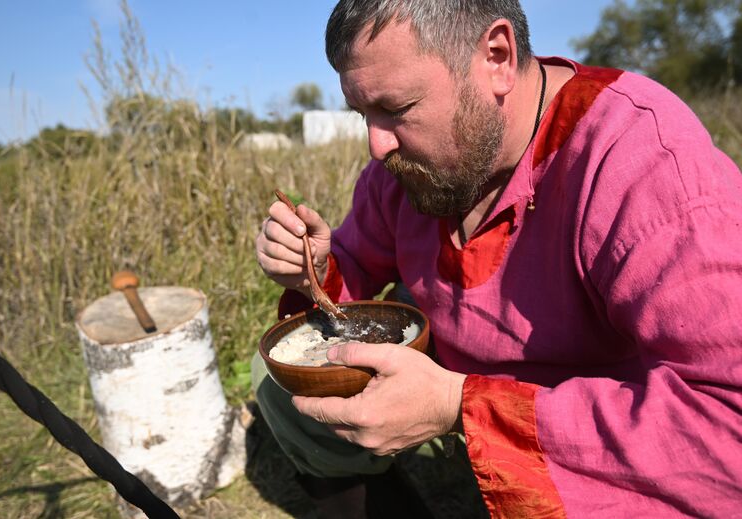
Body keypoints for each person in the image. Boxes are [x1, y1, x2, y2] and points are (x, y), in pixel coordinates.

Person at [254, 1, 742, 517]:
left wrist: (457, 407)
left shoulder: (640, 162)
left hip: (597, 445)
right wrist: (313, 266)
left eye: (396, 109)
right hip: (461, 391)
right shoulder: (404, 168)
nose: (375, 145)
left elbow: (726, 424)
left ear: (497, 57)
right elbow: (357, 263)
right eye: (363, 113)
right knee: (285, 389)